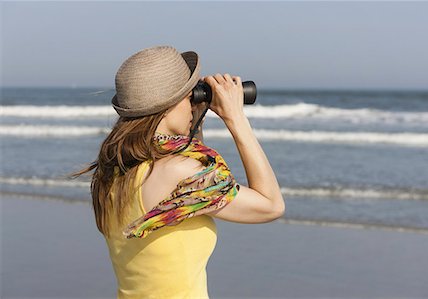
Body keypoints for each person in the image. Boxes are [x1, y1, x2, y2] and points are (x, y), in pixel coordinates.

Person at [72, 45, 285, 299]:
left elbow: (191, 174)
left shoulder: (113, 172)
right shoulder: (179, 172)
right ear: (169, 104)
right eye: (189, 96)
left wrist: (195, 118)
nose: (193, 102)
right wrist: (236, 119)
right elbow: (271, 205)